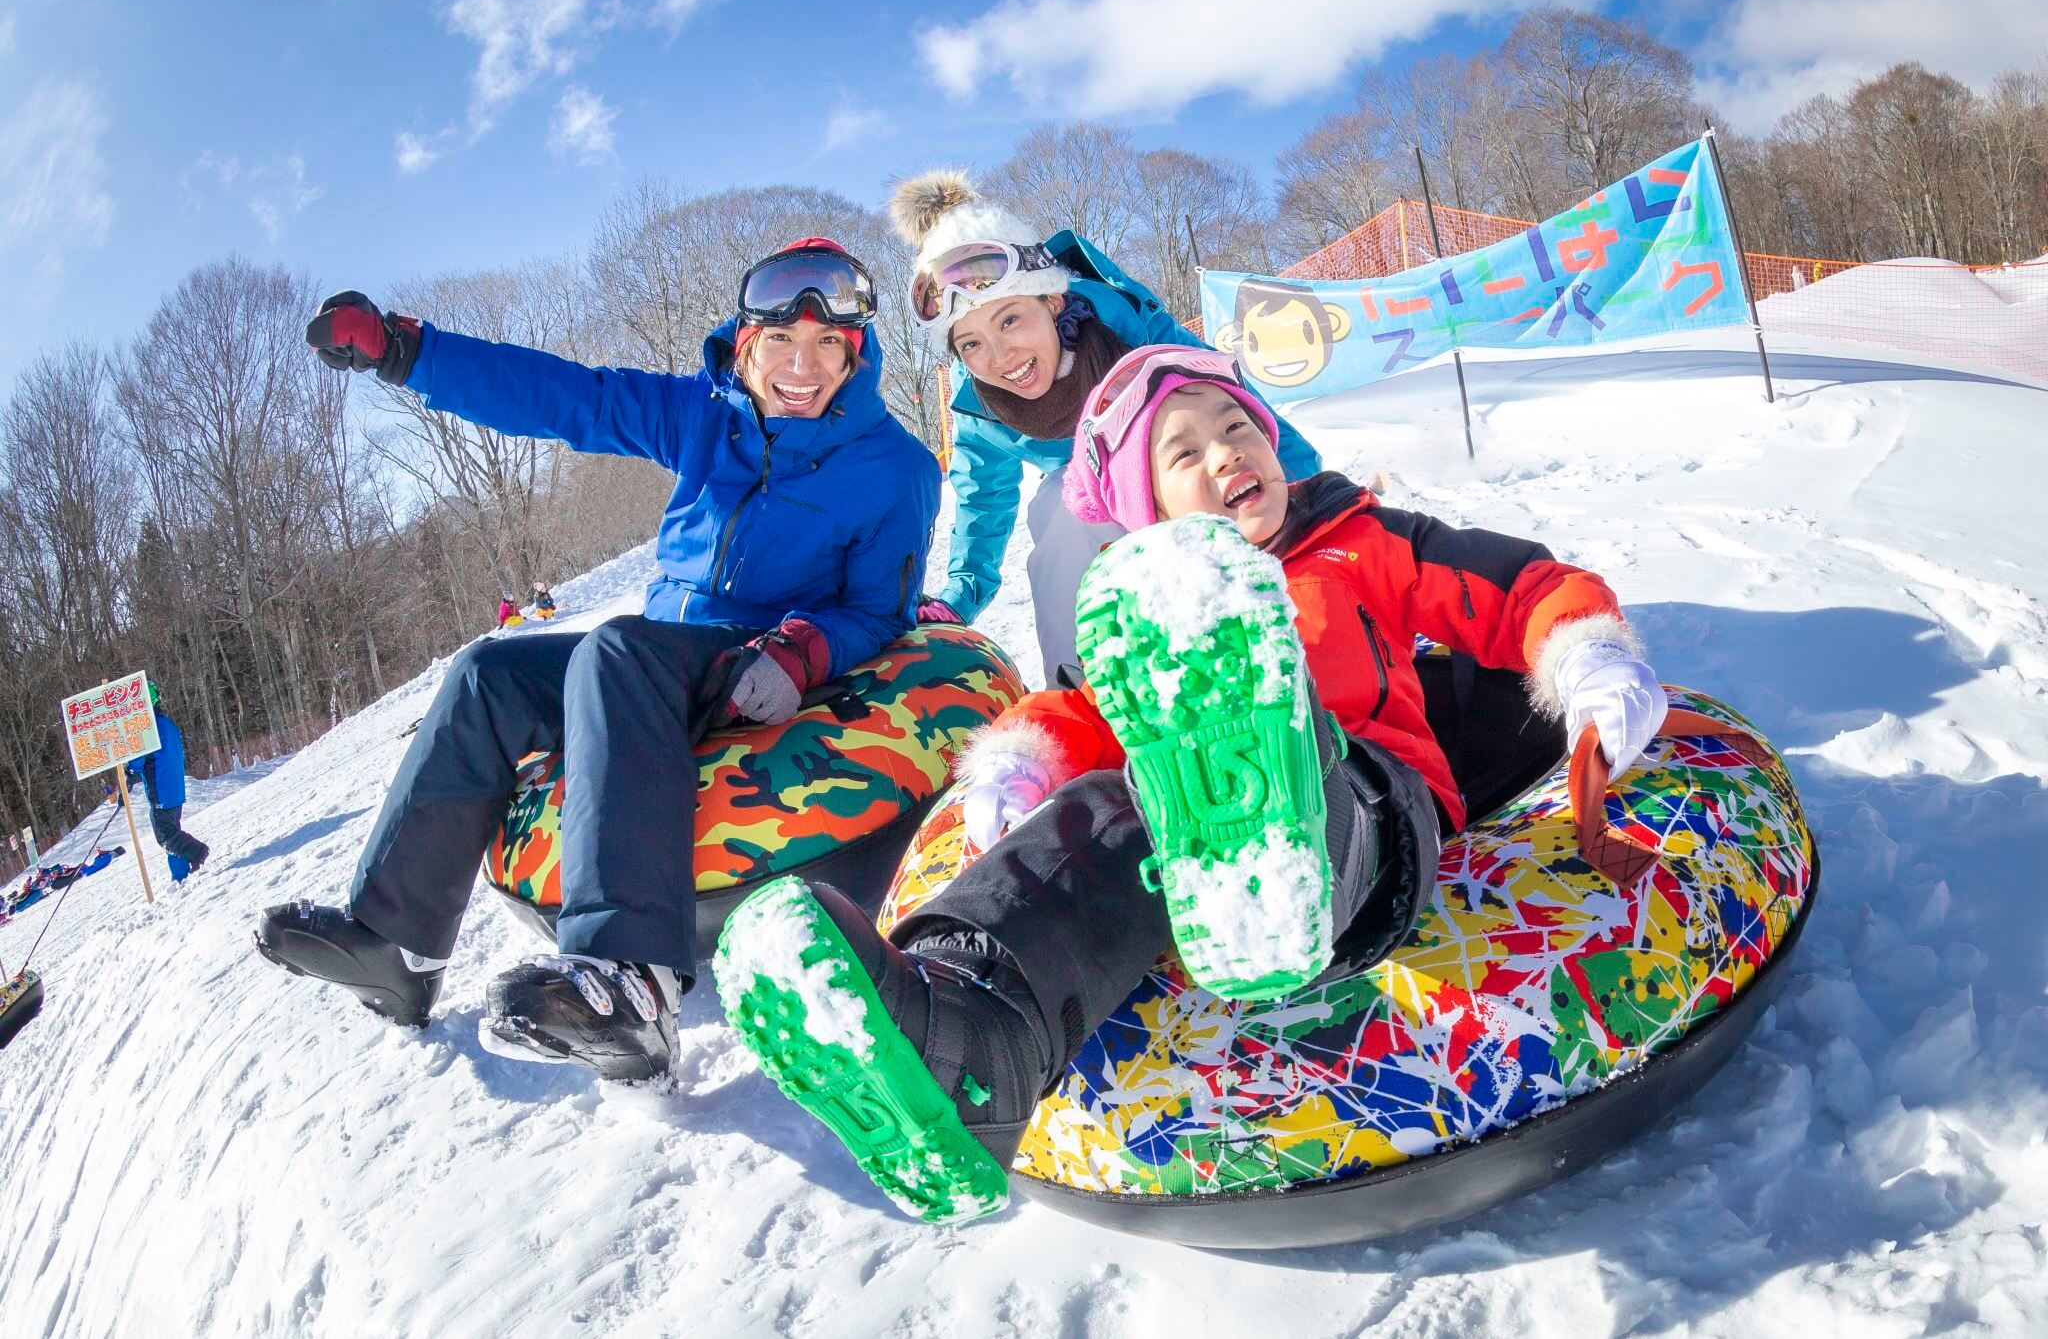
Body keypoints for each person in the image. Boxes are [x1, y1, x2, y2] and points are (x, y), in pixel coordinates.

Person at [716, 345, 1668, 1223]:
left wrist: (1587, 658)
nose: (1226, 454)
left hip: (1372, 805)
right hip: (1187, 828)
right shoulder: (1145, 628)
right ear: (1150, 509)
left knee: (1306, 775)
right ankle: (966, 1039)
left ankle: (1282, 852)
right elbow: (1082, 713)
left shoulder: (1355, 540)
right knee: (1109, 811)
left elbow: (1516, 587)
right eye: (1185, 451)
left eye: (1239, 427)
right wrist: (1015, 767)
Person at [256, 237, 941, 1082]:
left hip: (758, 662)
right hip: (659, 655)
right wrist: (409, 351)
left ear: (855, 350)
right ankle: (395, 946)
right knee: (485, 673)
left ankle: (633, 984)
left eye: (826, 347)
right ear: (744, 343)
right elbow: (564, 397)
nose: (802, 368)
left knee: (617, 651)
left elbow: (880, 611)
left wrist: (803, 650)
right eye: (781, 345)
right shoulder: (704, 415)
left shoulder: (895, 467)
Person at [890, 171, 1322, 675]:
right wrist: (958, 600)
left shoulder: (1129, 331)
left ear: (1052, 302)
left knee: (1193, 457)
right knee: (1060, 502)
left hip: (1176, 482)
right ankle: (1079, 689)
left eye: (1009, 320)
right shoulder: (981, 406)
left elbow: (1237, 408)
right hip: (1092, 510)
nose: (1001, 356)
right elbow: (981, 504)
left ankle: (1271, 641)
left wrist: (1314, 493)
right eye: (971, 344)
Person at [137, 681, 211, 882]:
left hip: (161, 792)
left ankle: (197, 851)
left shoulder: (147, 728)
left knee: (166, 837)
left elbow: (138, 759)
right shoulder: (166, 724)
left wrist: (127, 774)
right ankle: (180, 875)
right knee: (172, 831)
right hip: (174, 789)